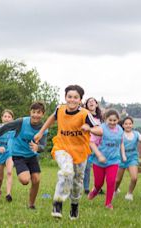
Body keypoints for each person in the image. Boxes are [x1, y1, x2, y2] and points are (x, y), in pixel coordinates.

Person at [34, 85, 101, 220]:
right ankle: (57, 203)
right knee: (66, 171)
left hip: (80, 152)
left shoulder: (85, 114)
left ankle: (74, 205)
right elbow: (52, 118)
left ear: (80, 100)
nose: (72, 100)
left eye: (75, 97)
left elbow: (100, 130)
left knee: (77, 183)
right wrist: (41, 132)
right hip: (62, 147)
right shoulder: (60, 109)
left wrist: (89, 128)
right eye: (69, 97)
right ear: (65, 97)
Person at [0, 102, 48, 208]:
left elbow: (43, 145)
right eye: (33, 112)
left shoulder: (43, 128)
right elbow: (6, 127)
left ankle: (31, 204)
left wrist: (38, 148)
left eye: (38, 112)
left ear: (43, 114)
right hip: (18, 154)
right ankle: (23, 172)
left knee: (36, 179)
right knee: (25, 180)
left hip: (31, 155)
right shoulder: (22, 122)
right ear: (30, 112)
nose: (35, 115)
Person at [87, 109, 126, 209]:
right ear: (105, 119)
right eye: (110, 120)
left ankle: (108, 203)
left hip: (113, 160)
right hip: (99, 161)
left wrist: (123, 154)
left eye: (115, 120)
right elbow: (91, 143)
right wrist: (99, 155)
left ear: (118, 120)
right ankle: (96, 190)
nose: (112, 122)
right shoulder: (100, 129)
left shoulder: (120, 130)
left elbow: (121, 142)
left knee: (111, 181)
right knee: (99, 183)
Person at [114, 116, 141, 201]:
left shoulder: (136, 134)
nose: (128, 125)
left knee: (134, 178)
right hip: (121, 159)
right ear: (123, 125)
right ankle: (115, 190)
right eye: (126, 124)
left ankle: (129, 194)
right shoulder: (120, 134)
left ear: (132, 125)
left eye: (130, 124)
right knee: (117, 180)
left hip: (133, 158)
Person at [0, 109, 15, 202]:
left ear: (12, 119)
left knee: (9, 172)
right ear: (2, 118)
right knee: (0, 178)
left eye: (9, 117)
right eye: (5, 116)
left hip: (9, 152)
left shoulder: (14, 129)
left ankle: (8, 194)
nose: (7, 118)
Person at [83, 97, 103, 194]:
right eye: (88, 102)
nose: (91, 102)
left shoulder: (101, 118)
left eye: (93, 101)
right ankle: (86, 188)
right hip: (87, 144)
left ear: (96, 104)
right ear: (86, 105)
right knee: (87, 167)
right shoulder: (85, 116)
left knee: (99, 167)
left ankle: (98, 187)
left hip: (100, 146)